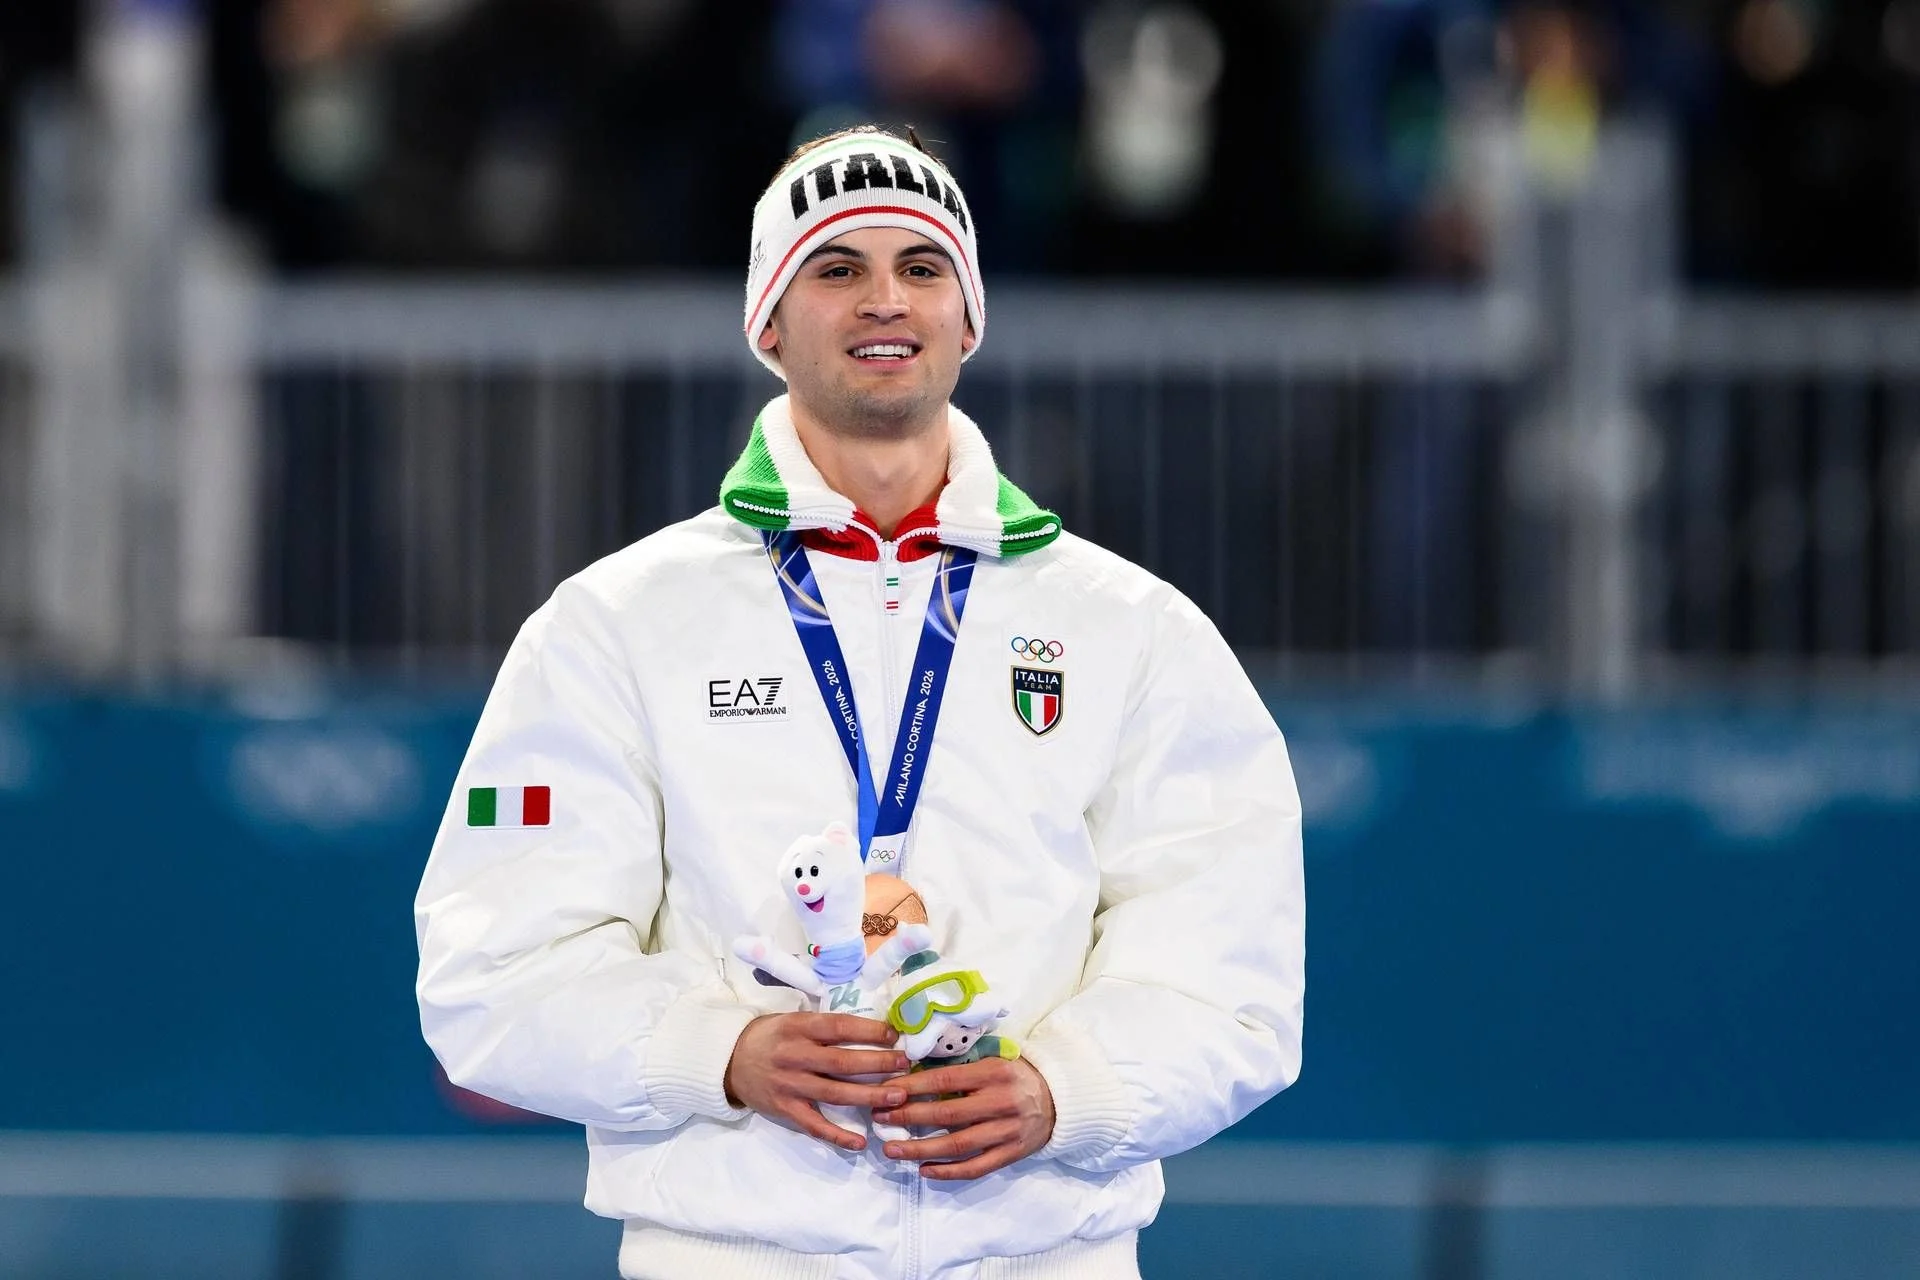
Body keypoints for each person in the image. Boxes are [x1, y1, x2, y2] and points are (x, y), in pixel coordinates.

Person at [414, 124, 1305, 1280]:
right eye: (837, 269)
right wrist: (725, 1052)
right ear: (767, 324)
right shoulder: (612, 626)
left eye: (921, 267)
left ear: (970, 318)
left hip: (1043, 1254)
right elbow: (490, 975)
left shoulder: (1133, 630)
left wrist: (1064, 1091)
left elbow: (1233, 976)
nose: (885, 299)